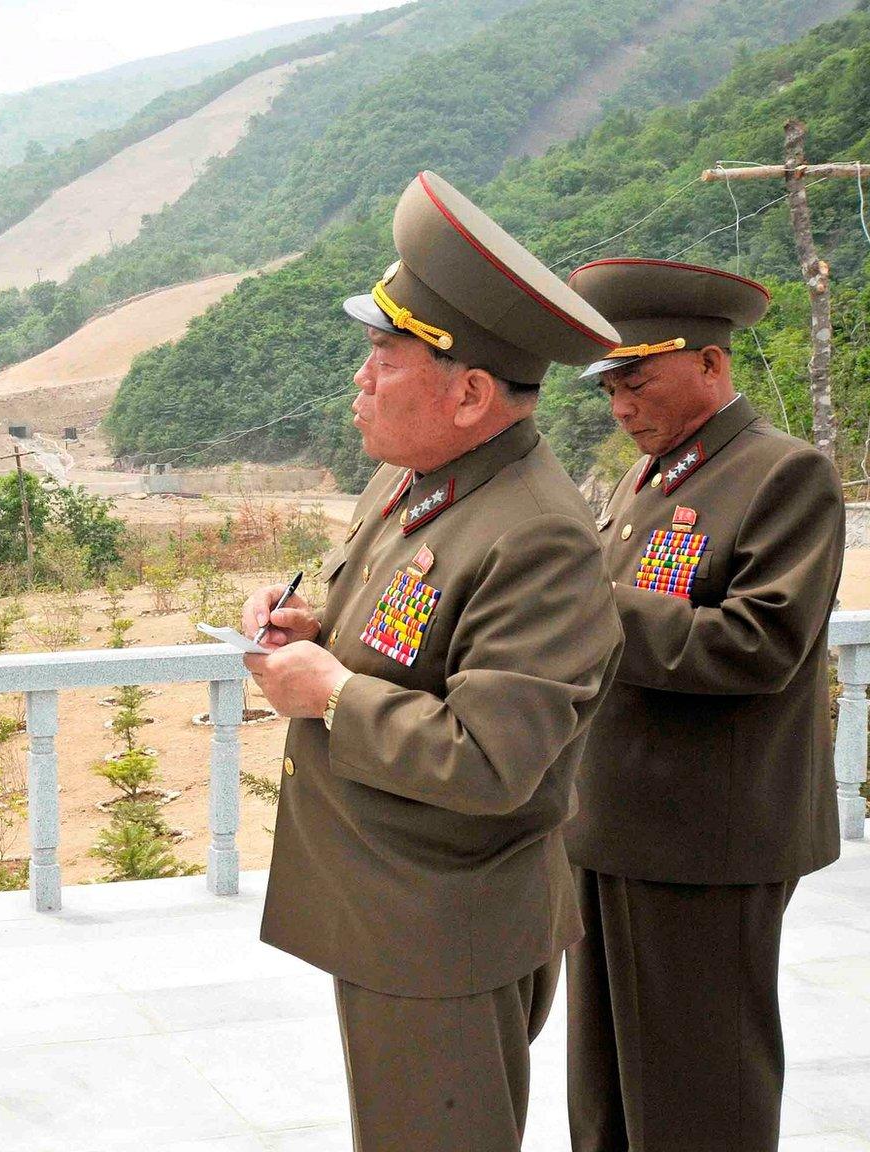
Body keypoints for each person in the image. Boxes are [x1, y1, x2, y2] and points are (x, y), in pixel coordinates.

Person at [238, 171, 623, 1149]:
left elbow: (490, 755)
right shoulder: (419, 481)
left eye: (382, 354)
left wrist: (329, 696)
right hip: (392, 910)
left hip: (444, 928)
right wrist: (314, 630)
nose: (358, 379)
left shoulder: (535, 533)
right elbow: (406, 636)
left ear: (468, 394)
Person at [563, 257, 842, 1151]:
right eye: (610, 387)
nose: (621, 407)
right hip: (610, 823)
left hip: (706, 837)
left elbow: (759, 645)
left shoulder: (783, 476)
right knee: (606, 1092)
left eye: (636, 382)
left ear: (710, 367)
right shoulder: (646, 481)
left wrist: (588, 604)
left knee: (699, 1094)